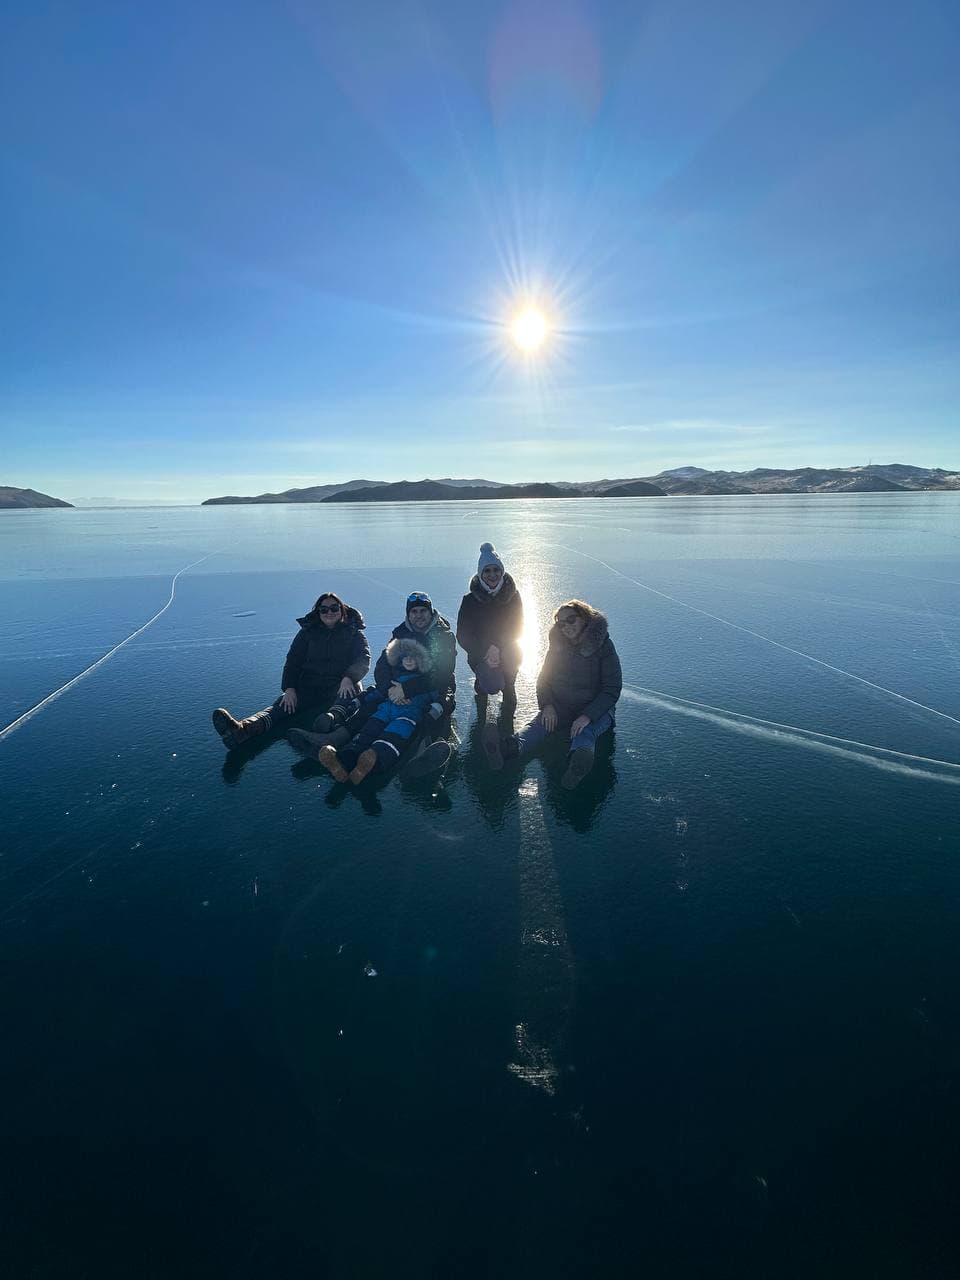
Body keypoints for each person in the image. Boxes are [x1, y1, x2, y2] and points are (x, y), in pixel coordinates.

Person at [289, 590, 456, 757]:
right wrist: (390, 688)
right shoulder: (400, 633)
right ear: (408, 613)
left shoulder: (443, 636)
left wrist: (407, 689)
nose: (419, 615)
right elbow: (382, 665)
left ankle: (418, 752)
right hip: (397, 687)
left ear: (430, 611)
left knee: (429, 716)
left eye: (423, 611)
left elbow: (443, 673)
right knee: (372, 704)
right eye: (414, 611)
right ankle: (336, 739)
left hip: (435, 690)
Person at [481, 599, 621, 789]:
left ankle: (577, 763)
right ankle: (508, 748)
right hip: (561, 705)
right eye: (561, 623)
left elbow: (612, 688)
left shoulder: (604, 646)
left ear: (584, 617)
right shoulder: (557, 647)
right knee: (539, 725)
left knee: (585, 731)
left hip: (596, 708)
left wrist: (587, 715)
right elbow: (544, 679)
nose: (566, 626)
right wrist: (547, 705)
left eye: (571, 619)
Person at [212, 592, 369, 750]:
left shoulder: (353, 632)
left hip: (340, 684)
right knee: (282, 707)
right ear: (318, 612)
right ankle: (243, 729)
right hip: (310, 685)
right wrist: (289, 688)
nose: (329, 612)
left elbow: (363, 658)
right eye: (324, 609)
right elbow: (293, 661)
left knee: (347, 696)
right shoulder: (307, 632)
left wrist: (349, 677)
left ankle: (331, 722)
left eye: (334, 608)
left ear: (341, 610)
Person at [318, 637, 438, 783]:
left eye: (413, 657)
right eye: (405, 656)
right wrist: (358, 701)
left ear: (421, 660)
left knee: (391, 739)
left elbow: (436, 698)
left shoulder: (425, 682)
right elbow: (377, 691)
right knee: (366, 733)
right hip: (384, 711)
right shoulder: (396, 677)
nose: (408, 660)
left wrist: (432, 714)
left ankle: (372, 762)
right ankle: (343, 761)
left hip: (407, 716)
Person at [456, 542, 523, 718]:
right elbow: (463, 635)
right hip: (480, 654)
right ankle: (482, 682)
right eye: (487, 571)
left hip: (507, 650)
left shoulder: (513, 596)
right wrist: (486, 651)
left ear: (501, 571)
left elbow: (519, 627)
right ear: (480, 573)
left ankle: (509, 685)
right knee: (491, 686)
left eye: (496, 570)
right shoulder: (470, 600)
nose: (492, 574)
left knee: (512, 658)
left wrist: (497, 647)